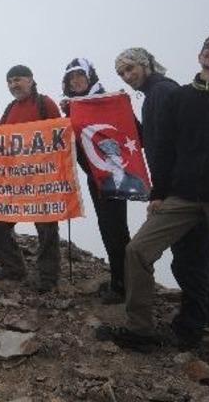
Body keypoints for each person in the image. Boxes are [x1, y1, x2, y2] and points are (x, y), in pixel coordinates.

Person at [111, 30, 209, 384]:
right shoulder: (180, 97)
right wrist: (159, 193)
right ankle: (140, 329)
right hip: (183, 196)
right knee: (137, 251)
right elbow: (166, 147)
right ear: (200, 55)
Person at [115, 47, 209, 348]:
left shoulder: (162, 92)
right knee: (194, 259)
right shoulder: (158, 93)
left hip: (182, 192)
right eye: (122, 73)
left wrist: (160, 193)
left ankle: (167, 331)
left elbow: (168, 146)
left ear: (146, 64)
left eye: (130, 68)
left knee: (163, 256)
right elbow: (152, 138)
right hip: (190, 189)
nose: (127, 76)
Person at [59, 58, 131, 304]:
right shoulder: (75, 105)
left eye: (80, 76)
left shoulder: (105, 101)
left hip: (112, 175)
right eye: (71, 78)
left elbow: (130, 131)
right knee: (108, 228)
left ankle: (123, 286)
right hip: (95, 177)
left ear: (90, 77)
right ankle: (120, 280)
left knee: (115, 229)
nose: (75, 81)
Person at [0, 65, 62, 292]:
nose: (14, 85)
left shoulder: (45, 104)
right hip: (14, 181)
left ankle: (48, 277)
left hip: (42, 181)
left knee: (46, 229)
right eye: (10, 81)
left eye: (18, 80)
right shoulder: (10, 109)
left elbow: (60, 137)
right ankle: (14, 268)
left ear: (30, 80)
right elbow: (0, 140)